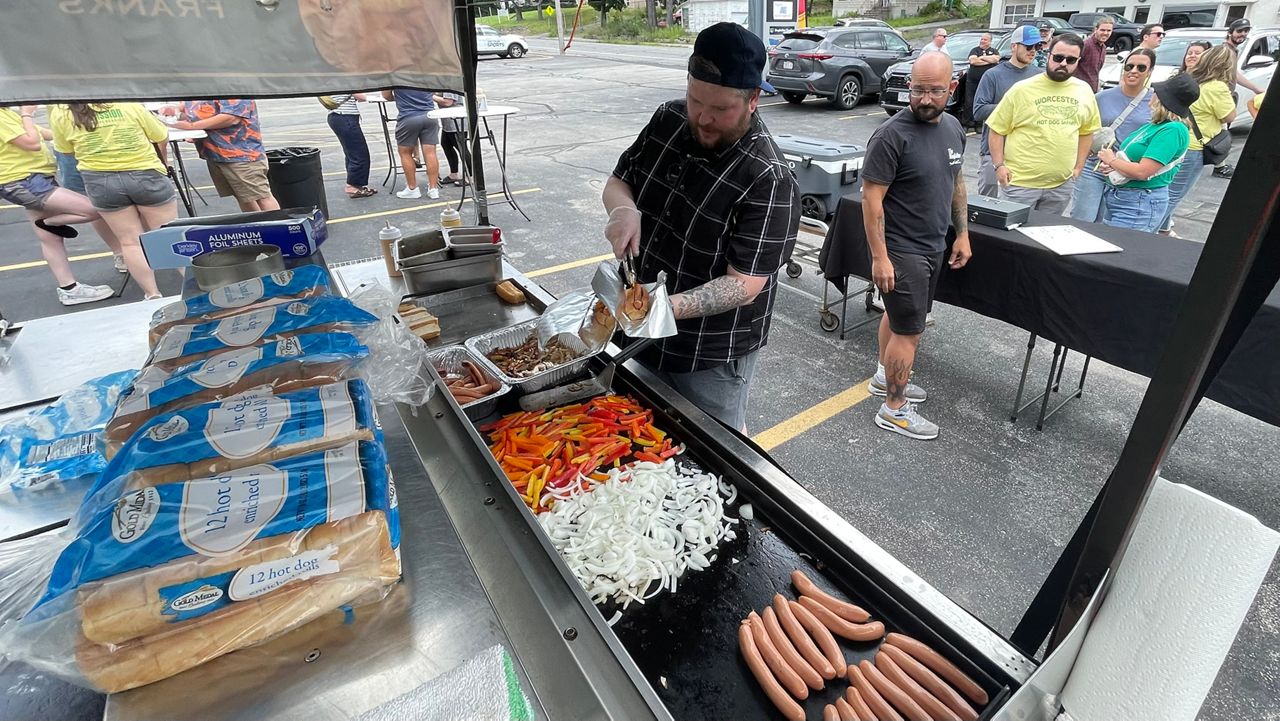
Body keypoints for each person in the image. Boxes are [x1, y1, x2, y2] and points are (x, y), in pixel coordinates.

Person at [603, 22, 800, 431]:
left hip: (708, 355)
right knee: (636, 433)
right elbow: (620, 180)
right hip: (638, 331)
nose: (704, 118)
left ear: (753, 101)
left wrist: (663, 307)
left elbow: (745, 284)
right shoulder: (669, 118)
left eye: (721, 109)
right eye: (696, 100)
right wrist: (622, 210)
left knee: (712, 454)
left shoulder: (768, 177)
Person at [861, 53, 970, 440]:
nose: (925, 99)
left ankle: (882, 376)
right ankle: (894, 407)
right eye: (918, 89)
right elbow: (871, 200)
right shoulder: (892, 135)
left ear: (951, 89)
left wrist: (962, 232)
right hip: (900, 248)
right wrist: (880, 258)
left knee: (902, 317)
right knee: (911, 331)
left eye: (935, 91)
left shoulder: (954, 128)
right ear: (909, 86)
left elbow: (956, 182)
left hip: (932, 245)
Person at [50, 103, 174, 299]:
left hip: (100, 180)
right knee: (170, 235)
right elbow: (160, 135)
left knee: (131, 242)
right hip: (144, 173)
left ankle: (152, 294)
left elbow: (65, 150)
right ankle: (193, 286)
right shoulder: (127, 104)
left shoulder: (61, 112)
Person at [0, 105, 116, 306]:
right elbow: (32, 142)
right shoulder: (3, 118)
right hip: (23, 180)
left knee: (50, 239)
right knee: (94, 208)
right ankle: (49, 222)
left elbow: (43, 133)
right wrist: (27, 113)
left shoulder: (6, 114)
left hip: (34, 177)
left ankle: (69, 288)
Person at [987, 34, 1101, 214]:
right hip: (1020, 184)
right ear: (1048, 55)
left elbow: (1087, 132)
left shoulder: (1084, 91)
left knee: (1044, 237)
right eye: (1058, 57)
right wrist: (999, 166)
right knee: (1012, 238)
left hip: (1060, 186)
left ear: (1078, 61)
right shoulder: (1022, 89)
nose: (1063, 63)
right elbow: (997, 130)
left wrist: (1079, 167)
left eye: (1070, 60)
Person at [1097, 74, 1195, 232]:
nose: (1152, 93)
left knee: (1123, 251)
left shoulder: (1173, 129)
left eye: (1157, 91)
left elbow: (1143, 172)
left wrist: (1112, 161)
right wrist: (1114, 167)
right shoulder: (1156, 125)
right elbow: (1134, 162)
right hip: (1123, 198)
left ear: (1163, 99)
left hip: (1138, 202)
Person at [1157, 44, 1237, 236]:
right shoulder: (1218, 87)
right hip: (1194, 147)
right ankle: (1151, 230)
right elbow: (1229, 116)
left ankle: (1163, 229)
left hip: (1175, 141)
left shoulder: (1190, 80)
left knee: (1165, 188)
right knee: (1174, 194)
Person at [1070, 49, 1155, 223]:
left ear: (1150, 71)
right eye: (1129, 66)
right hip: (1093, 167)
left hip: (1126, 170)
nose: (1133, 71)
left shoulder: (1154, 101)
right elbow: (1084, 130)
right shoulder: (1102, 97)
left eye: (1141, 67)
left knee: (1107, 224)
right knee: (1082, 220)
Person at [972, 25, 1043, 197]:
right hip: (993, 154)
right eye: (1028, 46)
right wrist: (1013, 107)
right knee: (987, 205)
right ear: (1014, 46)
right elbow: (979, 111)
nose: (1033, 51)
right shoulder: (993, 75)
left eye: (1037, 47)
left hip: (1027, 155)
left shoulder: (1040, 76)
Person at [173, 100, 280, 212]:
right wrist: (177, 107)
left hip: (241, 155)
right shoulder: (205, 86)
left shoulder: (231, 86)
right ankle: (255, 226)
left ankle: (278, 228)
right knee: (244, 198)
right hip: (217, 154)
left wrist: (191, 126)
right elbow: (197, 105)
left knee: (261, 197)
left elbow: (230, 118)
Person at [1212, 18, 1265, 178]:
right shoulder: (1225, 51)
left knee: (1219, 130)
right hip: (1219, 96)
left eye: (1245, 31)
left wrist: (1255, 88)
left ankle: (1219, 164)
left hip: (1222, 95)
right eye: (1239, 31)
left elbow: (1234, 74)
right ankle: (1219, 167)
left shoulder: (1232, 50)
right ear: (1230, 33)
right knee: (1221, 131)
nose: (1242, 34)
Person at [384, 89, 441, 200]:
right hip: (429, 115)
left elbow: (386, 95)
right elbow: (434, 91)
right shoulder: (425, 72)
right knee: (431, 152)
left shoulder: (395, 74)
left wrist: (401, 98)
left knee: (405, 153)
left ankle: (412, 188)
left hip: (408, 116)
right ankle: (433, 188)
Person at [325, 94, 376, 199]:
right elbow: (360, 96)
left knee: (351, 153)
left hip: (337, 116)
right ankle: (352, 186)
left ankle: (357, 185)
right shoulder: (345, 80)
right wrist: (373, 97)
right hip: (345, 116)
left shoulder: (333, 80)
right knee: (359, 153)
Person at [436, 92, 466, 187]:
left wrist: (430, 96)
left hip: (456, 121)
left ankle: (471, 176)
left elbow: (448, 102)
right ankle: (454, 174)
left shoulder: (448, 80)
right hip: (448, 121)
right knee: (446, 144)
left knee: (461, 148)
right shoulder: (441, 81)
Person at [1076, 18, 1112, 91]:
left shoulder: (1103, 48)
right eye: (1102, 30)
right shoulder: (1085, 45)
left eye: (1109, 31)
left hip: (1092, 89)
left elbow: (1095, 71)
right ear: (1096, 29)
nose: (1105, 33)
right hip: (1079, 89)